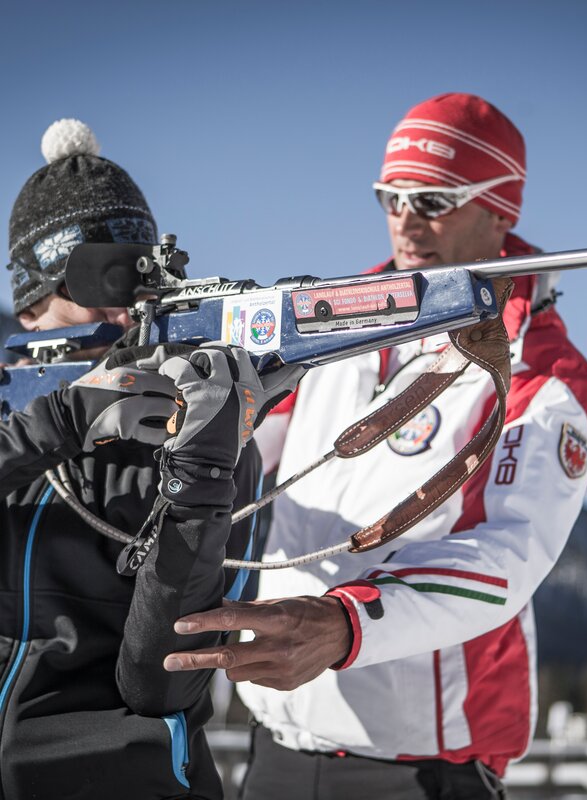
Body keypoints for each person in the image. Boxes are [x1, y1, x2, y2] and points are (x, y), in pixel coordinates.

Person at [164, 93, 587, 799]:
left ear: (500, 210)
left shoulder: (543, 373)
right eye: (390, 198)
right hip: (275, 749)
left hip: (416, 773)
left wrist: (345, 624)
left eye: (433, 199)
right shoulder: (330, 323)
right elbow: (243, 452)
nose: (406, 220)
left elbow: (507, 556)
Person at [0, 119, 267, 800]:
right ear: (31, 307)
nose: (125, 313)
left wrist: (203, 478)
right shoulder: (17, 410)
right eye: (99, 281)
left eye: (142, 282)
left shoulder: (196, 430)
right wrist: (58, 422)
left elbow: (161, 683)